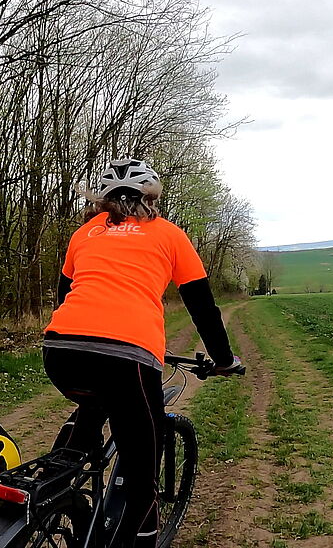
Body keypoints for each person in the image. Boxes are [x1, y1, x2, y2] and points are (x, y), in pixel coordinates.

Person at [43, 158, 242, 548]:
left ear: (101, 199)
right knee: (141, 479)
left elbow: (65, 295)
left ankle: (54, 488)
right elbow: (202, 307)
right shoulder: (169, 234)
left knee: (95, 402)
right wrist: (222, 359)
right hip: (127, 357)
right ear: (151, 196)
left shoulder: (84, 233)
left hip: (60, 350)